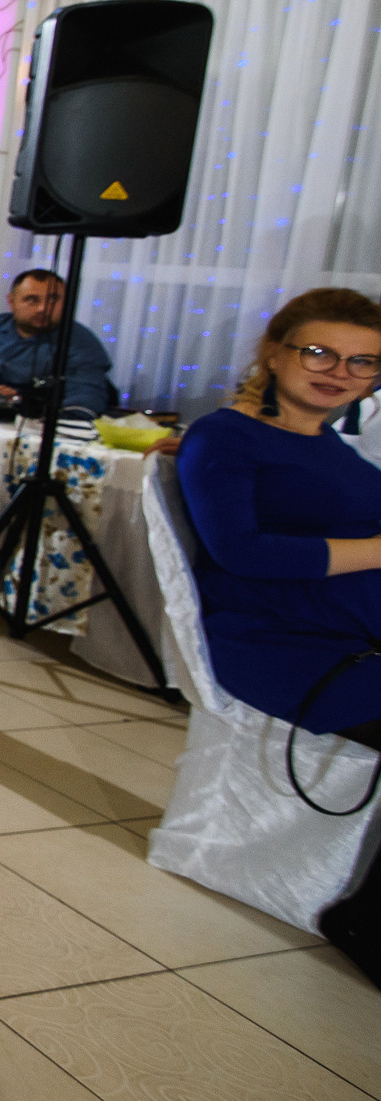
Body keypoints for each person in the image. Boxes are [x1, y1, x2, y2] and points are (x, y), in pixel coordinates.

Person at [174, 288, 381, 981]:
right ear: (276, 351)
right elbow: (242, 551)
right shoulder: (225, 436)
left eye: (363, 362)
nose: (340, 371)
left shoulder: (334, 447)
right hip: (276, 642)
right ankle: (366, 919)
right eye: (320, 351)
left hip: (342, 630)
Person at [0, 268, 115, 415]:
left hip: (35, 424)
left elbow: (84, 402)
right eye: (32, 300)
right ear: (11, 302)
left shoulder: (79, 341)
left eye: (53, 299)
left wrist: (23, 400)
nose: (43, 308)